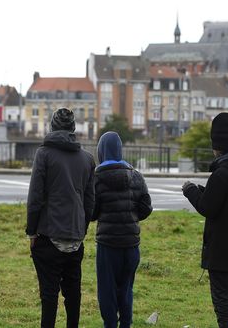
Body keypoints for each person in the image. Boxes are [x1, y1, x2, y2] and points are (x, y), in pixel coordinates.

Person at [182, 112, 228, 327]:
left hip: (221, 250)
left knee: (222, 300)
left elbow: (208, 207)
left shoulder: (221, 174)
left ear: (217, 144)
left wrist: (190, 191)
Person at [26, 108, 96, 328]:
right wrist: (81, 229)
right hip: (75, 236)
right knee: (73, 294)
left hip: (48, 233)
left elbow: (35, 197)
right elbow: (89, 201)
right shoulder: (87, 159)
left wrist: (32, 231)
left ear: (52, 127)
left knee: (49, 295)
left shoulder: (44, 154)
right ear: (73, 129)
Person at [92, 131, 152, 328]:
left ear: (101, 151)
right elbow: (146, 208)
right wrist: (132, 217)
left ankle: (110, 324)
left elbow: (92, 211)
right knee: (126, 288)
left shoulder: (97, 178)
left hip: (108, 244)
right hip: (131, 244)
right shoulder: (136, 176)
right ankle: (126, 324)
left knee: (106, 290)